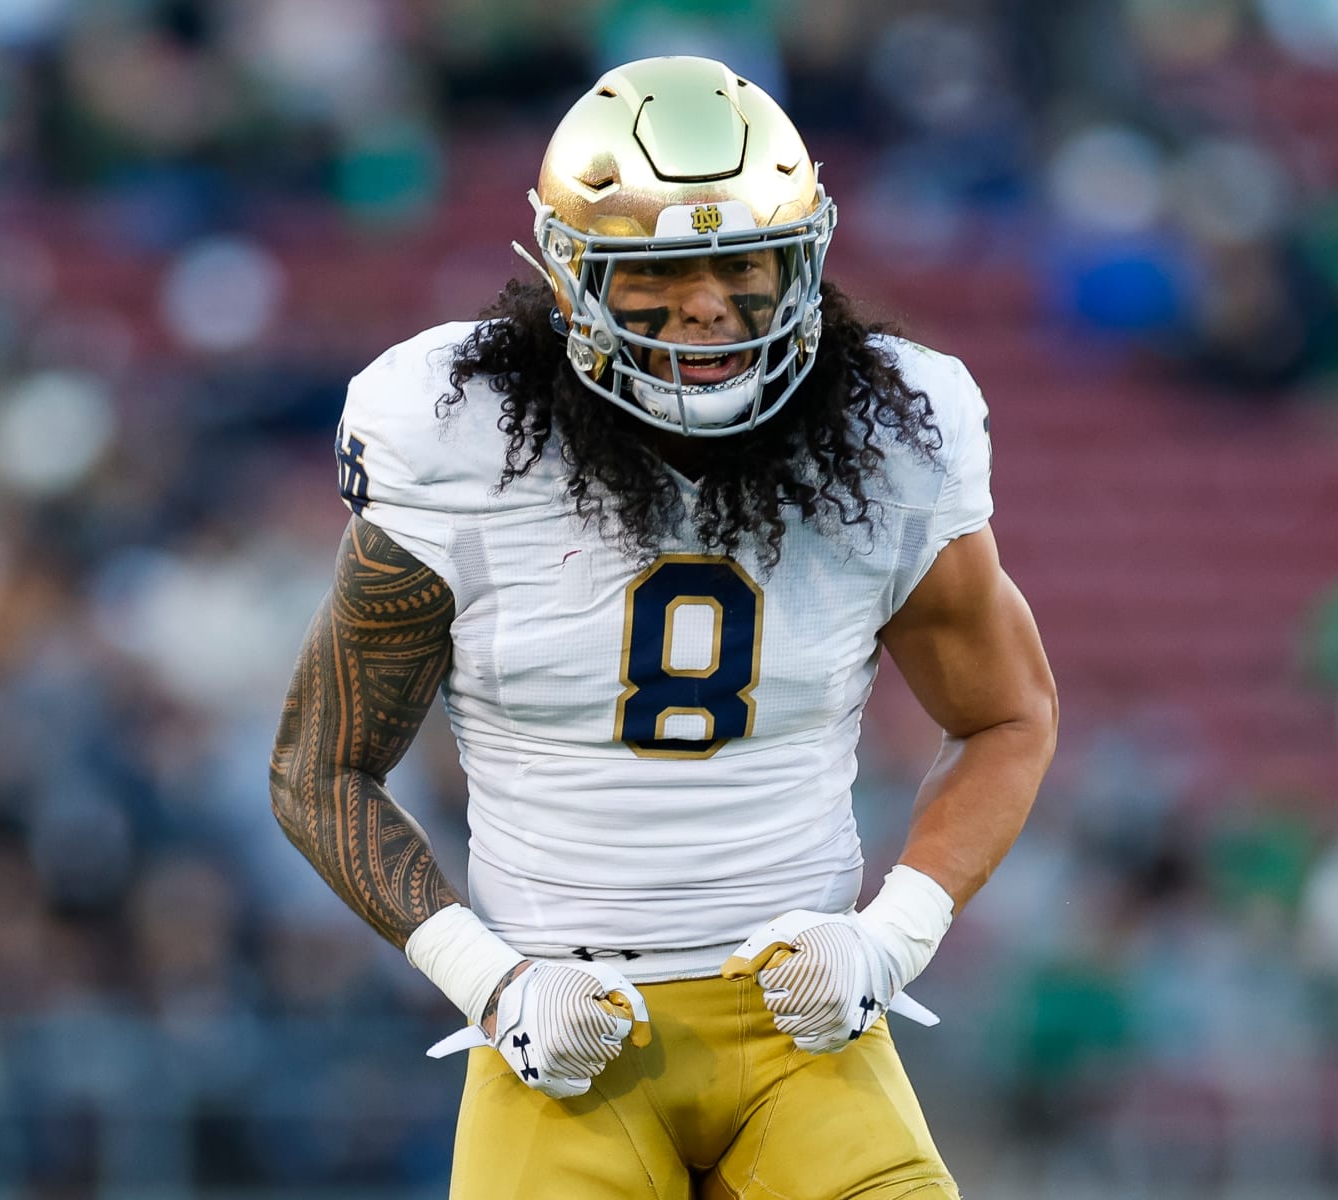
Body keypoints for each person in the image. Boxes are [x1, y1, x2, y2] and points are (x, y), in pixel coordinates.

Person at [269, 55, 1057, 1199]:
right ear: (570, 274)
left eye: (742, 261)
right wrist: (491, 984)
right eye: (664, 268)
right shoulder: (455, 438)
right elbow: (319, 766)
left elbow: (1008, 718)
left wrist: (890, 941)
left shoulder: (897, 434)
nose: (706, 304)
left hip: (803, 1026)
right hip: (567, 1030)